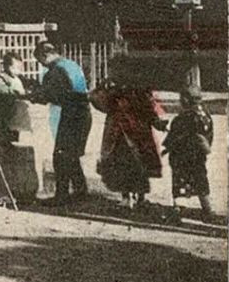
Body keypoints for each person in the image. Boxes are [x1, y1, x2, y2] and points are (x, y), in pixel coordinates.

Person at [91, 77, 166, 210]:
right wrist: (157, 122)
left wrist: (102, 86)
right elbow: (151, 108)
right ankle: (139, 198)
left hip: (121, 133)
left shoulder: (115, 90)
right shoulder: (140, 90)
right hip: (136, 134)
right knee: (136, 165)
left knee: (125, 166)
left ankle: (128, 198)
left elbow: (96, 99)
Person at [34, 41, 93, 204]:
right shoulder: (72, 65)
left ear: (45, 55)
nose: (42, 65)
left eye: (40, 61)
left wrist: (35, 96)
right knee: (72, 154)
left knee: (60, 155)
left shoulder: (56, 70)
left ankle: (62, 195)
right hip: (84, 112)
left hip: (71, 113)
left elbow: (51, 96)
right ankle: (81, 191)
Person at [163, 84, 214, 220]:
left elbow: (175, 135)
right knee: (201, 179)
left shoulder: (183, 118)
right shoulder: (205, 115)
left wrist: (167, 146)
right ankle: (207, 207)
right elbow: (209, 135)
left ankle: (179, 208)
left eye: (181, 99)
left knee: (180, 180)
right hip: (199, 155)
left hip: (182, 156)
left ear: (186, 100)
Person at [0, 52, 27, 150]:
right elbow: (0, 89)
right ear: (5, 66)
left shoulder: (17, 78)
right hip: (1, 109)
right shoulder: (1, 78)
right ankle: (2, 143)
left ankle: (10, 143)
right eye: (14, 68)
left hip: (12, 108)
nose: (16, 71)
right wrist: (12, 91)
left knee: (13, 127)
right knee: (2, 127)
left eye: (19, 68)